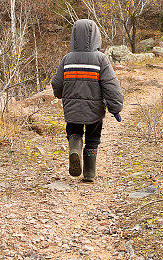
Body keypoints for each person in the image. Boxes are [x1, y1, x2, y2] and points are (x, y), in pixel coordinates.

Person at [51, 19, 123, 182]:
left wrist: (60, 94)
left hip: (72, 109)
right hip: (94, 109)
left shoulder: (67, 59)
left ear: (74, 37)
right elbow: (111, 86)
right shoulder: (101, 59)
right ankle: (89, 173)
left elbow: (57, 83)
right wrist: (115, 107)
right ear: (96, 37)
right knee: (92, 138)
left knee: (74, 131)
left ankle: (75, 148)